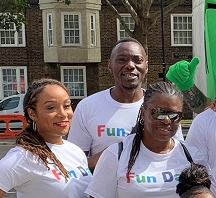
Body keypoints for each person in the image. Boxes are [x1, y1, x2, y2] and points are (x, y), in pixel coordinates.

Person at [67, 38, 183, 170]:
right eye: (122, 59)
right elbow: (75, 166)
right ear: (110, 65)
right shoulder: (87, 106)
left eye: (137, 60)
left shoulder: (163, 106)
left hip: (154, 187)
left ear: (146, 66)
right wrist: (115, 153)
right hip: (106, 188)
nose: (130, 65)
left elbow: (177, 155)